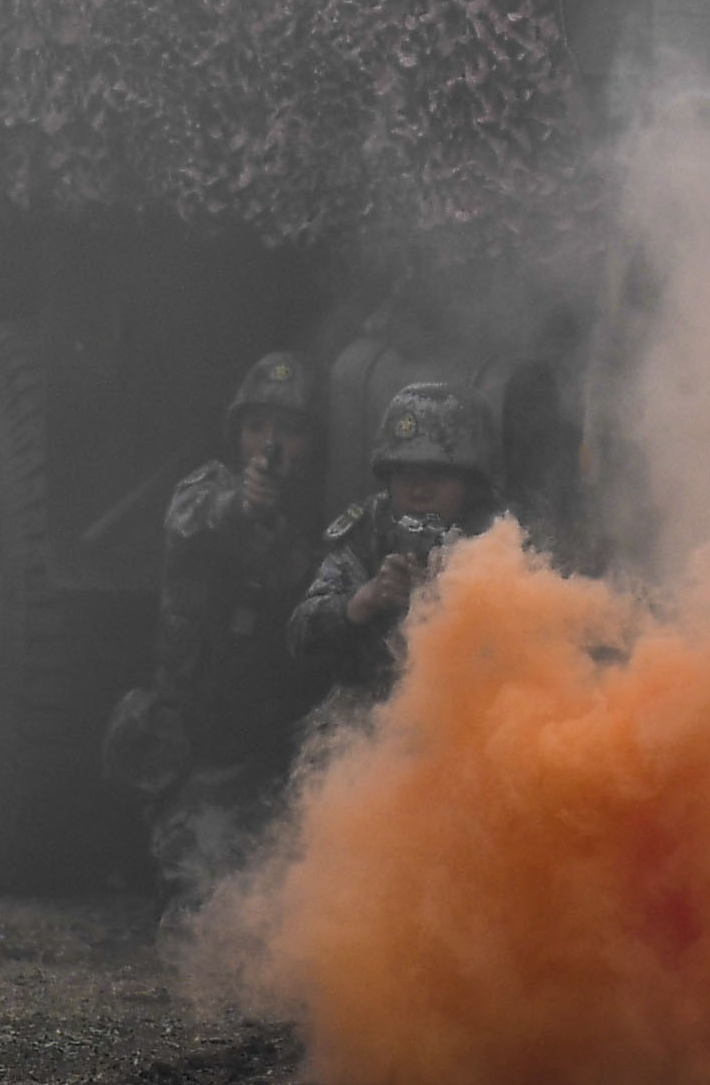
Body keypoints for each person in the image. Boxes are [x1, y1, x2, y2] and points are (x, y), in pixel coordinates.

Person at [101, 351, 333, 887]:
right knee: (203, 904)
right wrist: (247, 509)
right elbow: (195, 520)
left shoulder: (326, 523)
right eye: (256, 426)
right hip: (199, 754)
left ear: (314, 442)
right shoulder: (205, 490)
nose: (269, 442)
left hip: (277, 756)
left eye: (289, 430)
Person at [291, 380, 505, 704]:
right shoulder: (369, 529)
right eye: (405, 474)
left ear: (472, 481)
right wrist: (363, 602)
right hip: (373, 722)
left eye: (437, 474)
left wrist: (445, 601)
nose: (419, 490)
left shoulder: (503, 537)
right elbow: (300, 635)